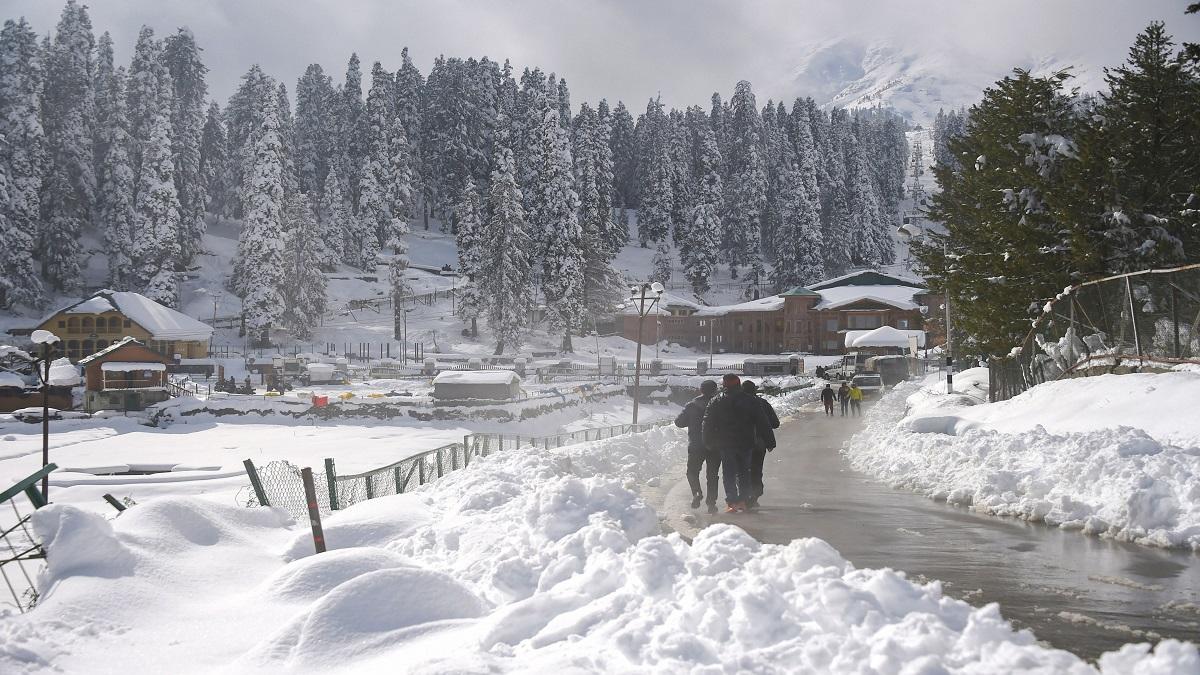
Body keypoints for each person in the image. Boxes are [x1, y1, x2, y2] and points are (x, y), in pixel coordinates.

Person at [703, 374, 772, 513]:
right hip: (746, 442)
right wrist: (769, 440)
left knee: (729, 473)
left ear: (724, 385)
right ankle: (743, 500)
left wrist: (708, 440)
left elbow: (707, 422)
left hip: (726, 443)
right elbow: (762, 421)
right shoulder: (751, 400)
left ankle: (732, 501)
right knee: (744, 472)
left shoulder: (716, 401)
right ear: (738, 384)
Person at [675, 380, 720, 513]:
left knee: (692, 471)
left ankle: (696, 492)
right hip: (714, 445)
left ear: (701, 390)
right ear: (715, 390)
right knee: (712, 475)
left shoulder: (692, 405)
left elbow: (679, 422)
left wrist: (692, 420)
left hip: (696, 444)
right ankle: (711, 503)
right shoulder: (719, 404)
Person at [742, 380, 780, 510]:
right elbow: (775, 423)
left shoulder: (736, 403)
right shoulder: (762, 403)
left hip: (741, 443)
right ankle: (755, 494)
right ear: (755, 390)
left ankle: (744, 496)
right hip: (759, 443)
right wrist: (770, 442)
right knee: (756, 469)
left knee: (741, 470)